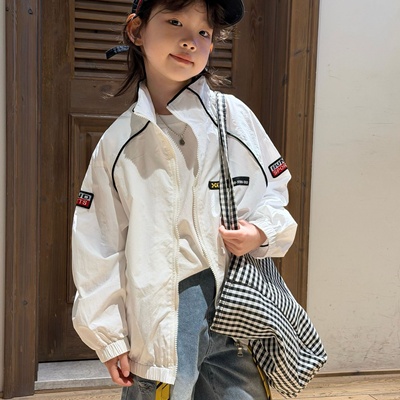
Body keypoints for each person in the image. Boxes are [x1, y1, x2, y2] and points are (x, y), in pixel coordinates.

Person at [71, 0, 297, 399]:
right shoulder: (118, 143)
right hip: (161, 316)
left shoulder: (233, 118)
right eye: (175, 21)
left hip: (236, 307)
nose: (190, 41)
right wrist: (108, 335)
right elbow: (98, 244)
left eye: (204, 32)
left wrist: (261, 230)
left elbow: (274, 191)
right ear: (136, 31)